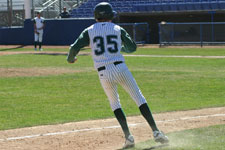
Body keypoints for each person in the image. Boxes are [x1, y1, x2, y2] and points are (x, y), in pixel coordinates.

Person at [67, 2, 169, 149]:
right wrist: (120, 49)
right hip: (120, 68)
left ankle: (128, 137)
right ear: (110, 15)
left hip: (103, 72)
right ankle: (156, 132)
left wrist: (71, 59)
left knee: (115, 104)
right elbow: (132, 47)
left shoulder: (88, 30)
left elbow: (74, 48)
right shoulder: (117, 28)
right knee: (139, 98)